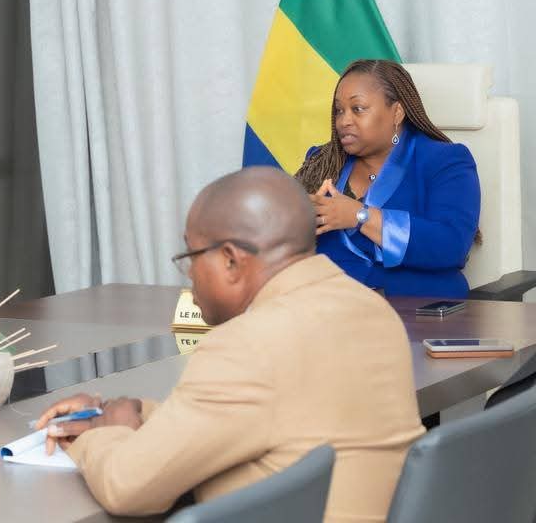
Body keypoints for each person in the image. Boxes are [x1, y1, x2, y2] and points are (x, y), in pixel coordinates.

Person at [36, 167, 424, 520]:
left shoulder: (247, 345)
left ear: (231, 261)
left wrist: (101, 433)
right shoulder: (373, 311)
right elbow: (251, 418)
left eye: (190, 256)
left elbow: (126, 488)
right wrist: (137, 412)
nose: (189, 274)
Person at [295, 59, 481, 298]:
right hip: (327, 304)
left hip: (415, 308)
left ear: (397, 112)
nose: (343, 121)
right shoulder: (322, 162)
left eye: (358, 109)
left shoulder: (445, 161)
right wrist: (301, 223)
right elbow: (280, 245)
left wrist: (360, 216)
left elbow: (451, 245)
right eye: (339, 111)